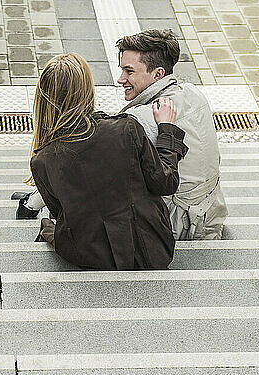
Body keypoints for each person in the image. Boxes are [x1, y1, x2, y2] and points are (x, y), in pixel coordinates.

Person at [15, 30, 227, 241]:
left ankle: (34, 204)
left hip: (177, 225)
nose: (120, 79)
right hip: (211, 215)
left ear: (158, 74)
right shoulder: (194, 94)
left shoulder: (138, 121)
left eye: (129, 71)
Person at [28, 53, 188, 270]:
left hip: (87, 256)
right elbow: (165, 183)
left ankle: (47, 231)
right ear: (87, 91)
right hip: (151, 250)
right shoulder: (126, 129)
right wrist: (166, 130)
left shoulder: (42, 160)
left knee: (55, 224)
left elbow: (61, 212)